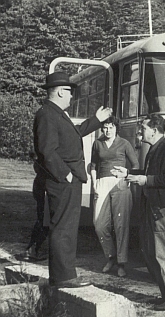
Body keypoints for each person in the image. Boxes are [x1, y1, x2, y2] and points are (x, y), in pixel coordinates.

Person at [34, 71, 112, 288]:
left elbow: (75, 134)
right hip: (63, 181)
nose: (72, 97)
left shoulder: (56, 113)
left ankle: (65, 275)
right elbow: (47, 151)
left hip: (68, 180)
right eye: (69, 92)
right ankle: (64, 277)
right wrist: (66, 174)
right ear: (59, 92)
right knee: (63, 228)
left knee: (67, 227)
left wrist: (97, 120)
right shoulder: (47, 114)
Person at [111, 113, 165, 311]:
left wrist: (147, 181)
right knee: (157, 255)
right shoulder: (156, 148)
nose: (140, 131)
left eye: (143, 128)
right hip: (158, 210)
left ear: (154, 130)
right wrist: (128, 174)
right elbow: (150, 174)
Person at [90, 116, 139, 277]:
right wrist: (94, 183)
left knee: (121, 225)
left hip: (120, 184)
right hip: (102, 183)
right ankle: (110, 257)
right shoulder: (97, 143)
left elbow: (135, 165)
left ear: (116, 128)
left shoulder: (124, 143)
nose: (108, 130)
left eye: (111, 127)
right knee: (99, 224)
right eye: (105, 127)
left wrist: (127, 178)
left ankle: (121, 263)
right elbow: (93, 165)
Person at [23, 156, 48, 261]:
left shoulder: (44, 154)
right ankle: (33, 249)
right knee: (44, 220)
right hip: (44, 186)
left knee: (42, 219)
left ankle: (32, 249)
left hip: (40, 185)